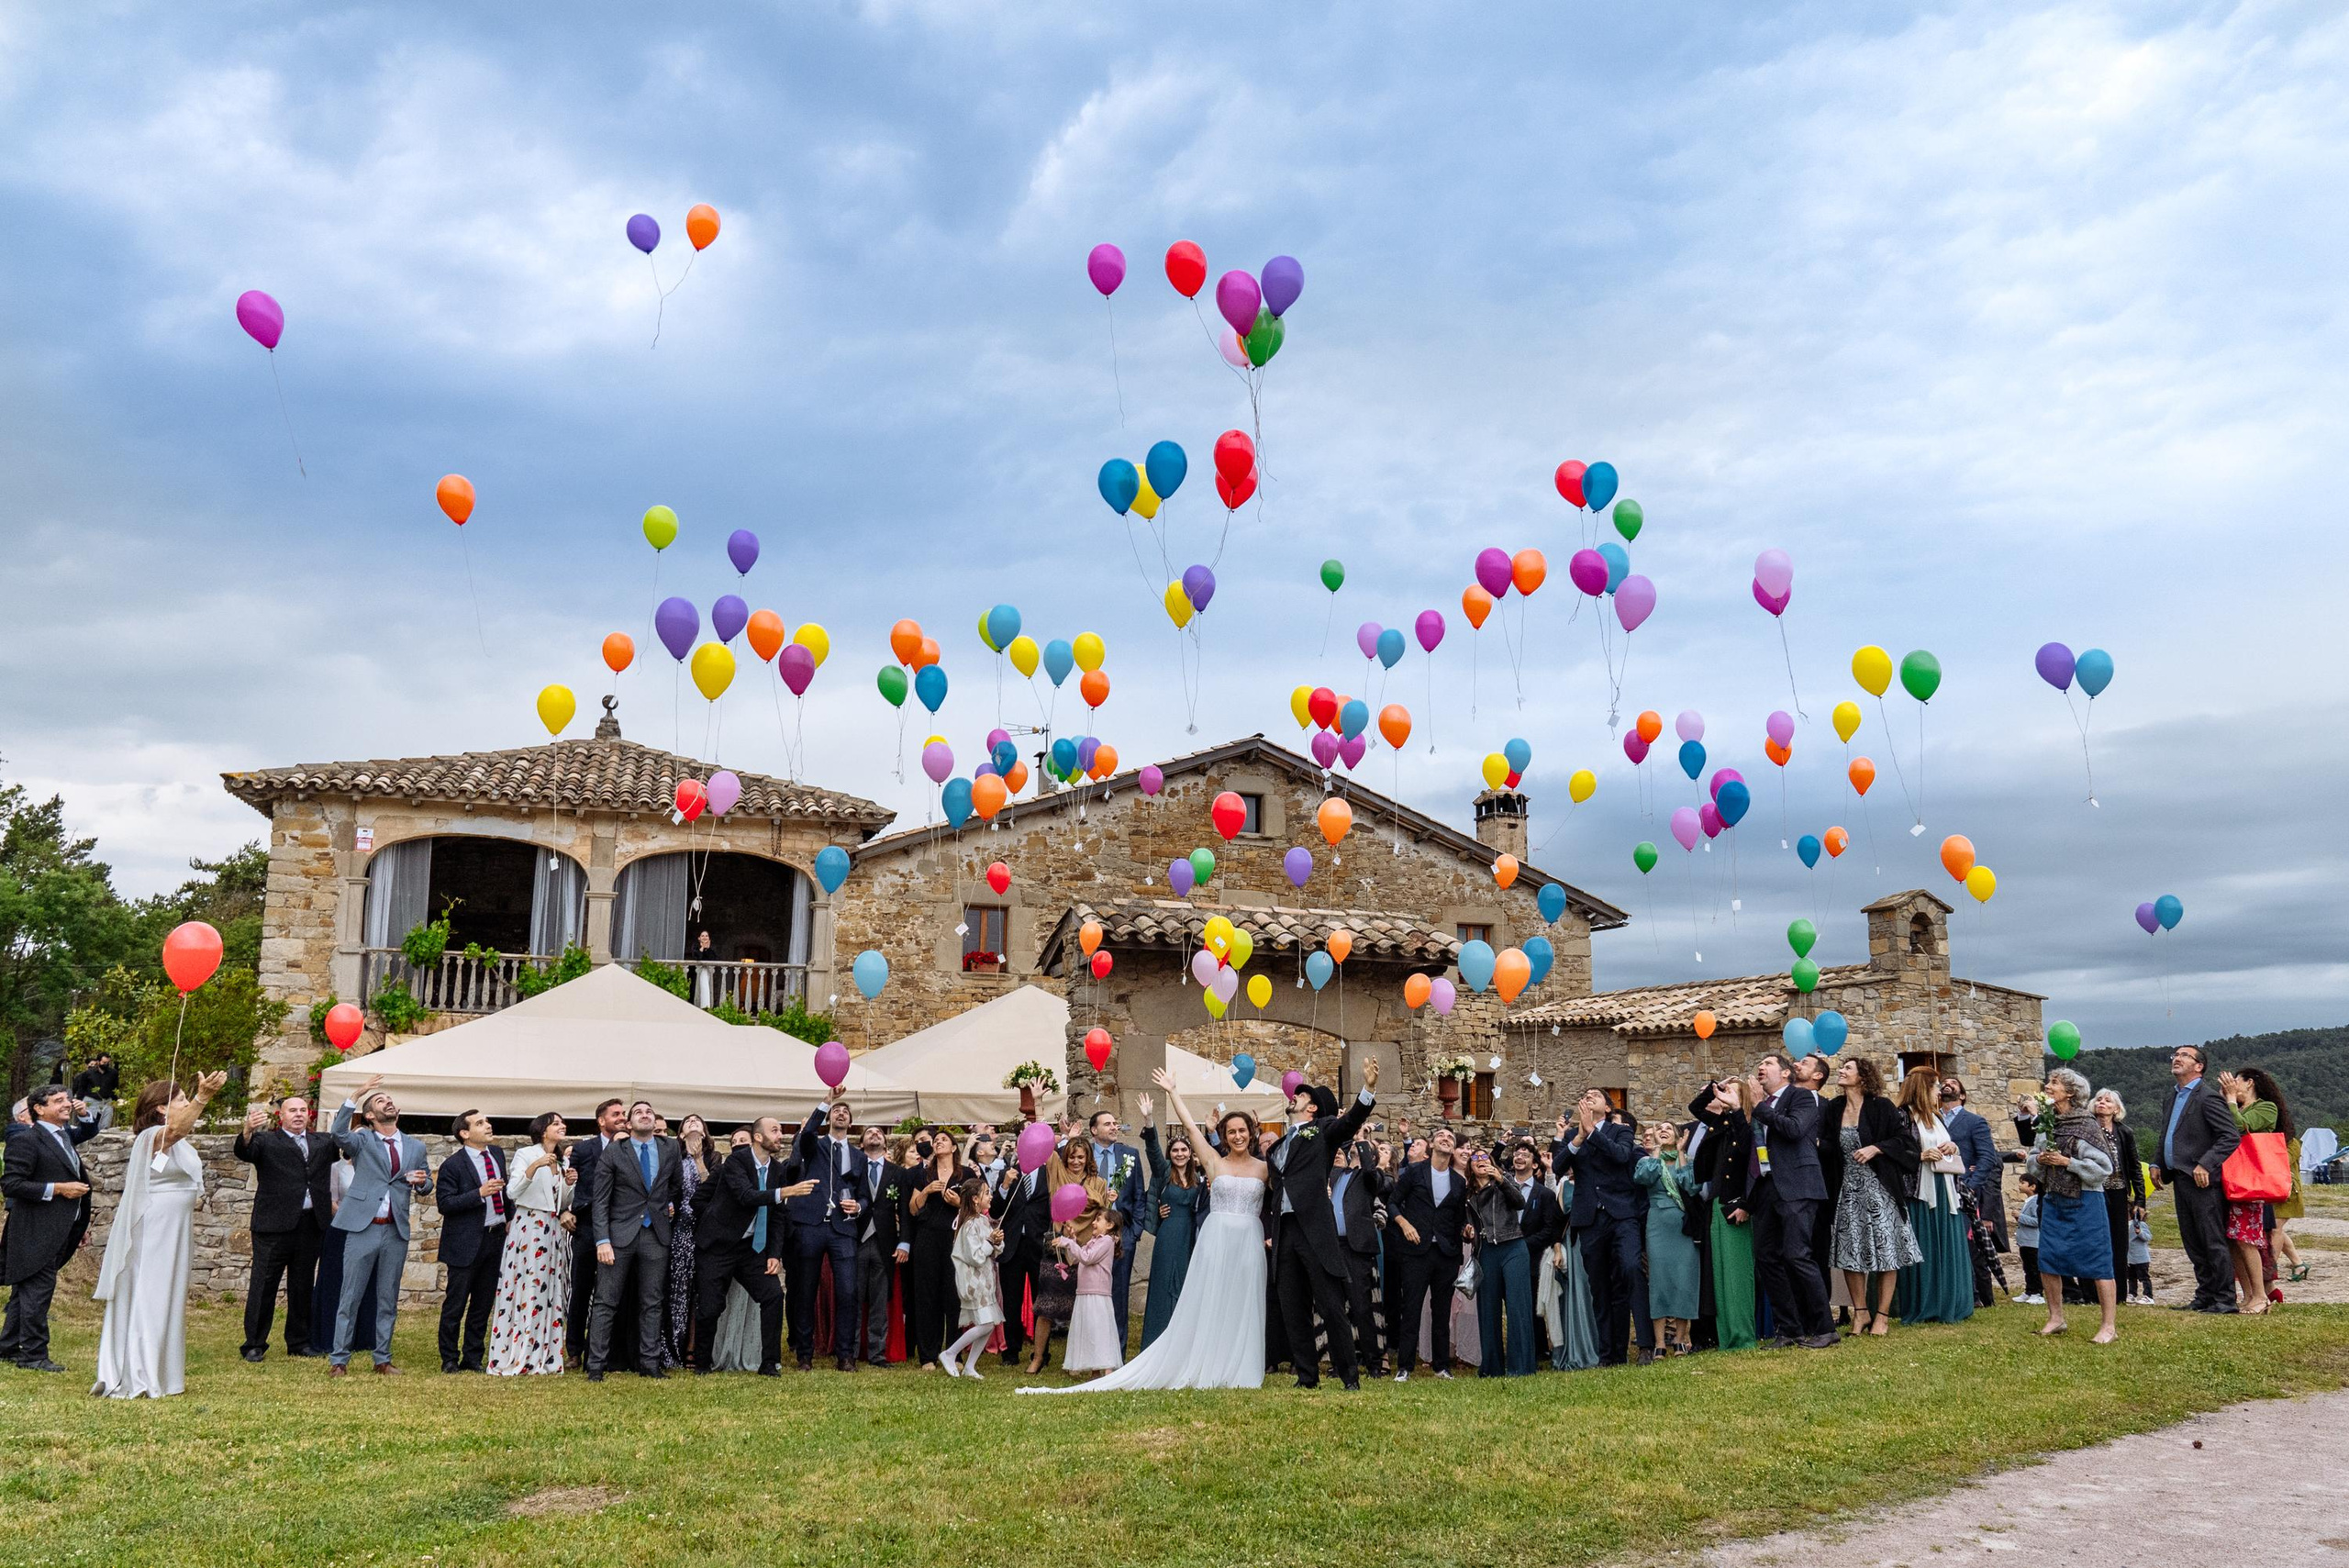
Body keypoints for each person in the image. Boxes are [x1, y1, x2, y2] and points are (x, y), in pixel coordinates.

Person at [1022, 1066, 1270, 1393]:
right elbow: (1188, 1129)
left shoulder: (1266, 1168)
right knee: (1210, 1299)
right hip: (1217, 1240)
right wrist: (1172, 1091)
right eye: (1232, 1131)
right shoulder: (1213, 1161)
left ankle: (1240, 1364)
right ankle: (1208, 1359)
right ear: (1224, 1137)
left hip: (1249, 1243)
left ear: (1252, 1133)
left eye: (1243, 1130)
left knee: (1243, 1302)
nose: (1238, 1136)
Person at [91, 1073, 226, 1397]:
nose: (186, 1104)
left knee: (169, 1293)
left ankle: (164, 1373)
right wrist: (203, 1097)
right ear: (161, 1109)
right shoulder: (152, 1136)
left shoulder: (177, 1139)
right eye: (180, 1100)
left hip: (175, 1227)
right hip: (154, 1225)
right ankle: (140, 1373)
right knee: (151, 1292)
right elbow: (178, 1129)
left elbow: (183, 1133)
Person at [1263, 1061, 1380, 1390]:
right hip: (1285, 1231)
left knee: (1331, 1305)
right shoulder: (1275, 1148)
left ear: (1311, 1107)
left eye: (1300, 1095)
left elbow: (1351, 1121)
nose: (1294, 1097)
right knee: (1292, 1304)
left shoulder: (1323, 1131)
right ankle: (1306, 1376)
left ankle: (1349, 1377)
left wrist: (1368, 1089)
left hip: (1314, 1228)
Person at [691, 1114, 812, 1376]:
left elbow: (779, 1216)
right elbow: (746, 1197)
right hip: (717, 1246)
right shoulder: (737, 1161)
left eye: (781, 1130)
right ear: (758, 1137)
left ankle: (770, 1363)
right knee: (711, 1307)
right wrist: (786, 1192)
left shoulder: (778, 1170)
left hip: (750, 1249)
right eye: (775, 1130)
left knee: (773, 1295)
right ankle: (701, 1363)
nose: (780, 1135)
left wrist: (774, 1254)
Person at [328, 1073, 432, 1375]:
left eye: (390, 1099)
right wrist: (358, 1094)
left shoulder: (415, 1147)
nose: (388, 1102)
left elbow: (425, 1185)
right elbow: (337, 1133)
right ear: (371, 1115)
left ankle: (382, 1359)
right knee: (351, 1295)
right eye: (380, 1101)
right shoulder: (362, 1139)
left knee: (388, 1297)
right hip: (364, 1227)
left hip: (395, 1229)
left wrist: (423, 1183)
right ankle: (339, 1360)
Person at [2, 1084, 101, 1372]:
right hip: (34, 1229)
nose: (66, 1104)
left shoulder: (62, 1137)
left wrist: (76, 1224)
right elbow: (11, 1184)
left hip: (61, 1228)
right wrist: (58, 1189)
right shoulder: (26, 1139)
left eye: (66, 1099)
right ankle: (33, 1355)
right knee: (38, 1292)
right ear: (39, 1109)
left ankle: (7, 1347)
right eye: (57, 1101)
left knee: (27, 1291)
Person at [232, 1092, 336, 1362]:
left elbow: (347, 1146)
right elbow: (244, 1151)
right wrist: (247, 1131)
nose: (299, 1114)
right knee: (264, 1285)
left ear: (309, 1115)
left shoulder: (322, 1142)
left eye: (303, 1110)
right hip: (273, 1226)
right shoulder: (266, 1141)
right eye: (293, 1110)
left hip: (310, 1224)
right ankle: (254, 1343)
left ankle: (299, 1342)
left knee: (302, 1286)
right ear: (281, 1115)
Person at [1554, 1089, 1653, 1364]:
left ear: (1608, 1108)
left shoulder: (1619, 1131)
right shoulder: (1572, 1136)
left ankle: (1646, 1345)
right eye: (1585, 1095)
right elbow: (1557, 1168)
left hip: (1621, 1215)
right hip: (1590, 1220)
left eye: (1595, 1095)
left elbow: (1622, 1156)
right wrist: (1578, 1138)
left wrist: (1593, 1133)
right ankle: (1610, 1355)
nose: (1589, 1097)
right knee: (1601, 1288)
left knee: (1632, 1270)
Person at [1746, 1052, 1837, 1349]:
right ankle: (1789, 1328)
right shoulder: (1760, 1105)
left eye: (1768, 1063)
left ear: (1785, 1073)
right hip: (1766, 1187)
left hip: (1798, 1185)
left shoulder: (1801, 1097)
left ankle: (1825, 1327)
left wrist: (1759, 1106)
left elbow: (1795, 1130)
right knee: (1766, 1257)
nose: (1761, 1067)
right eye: (1760, 1064)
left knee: (1798, 1254)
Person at [586, 1099, 682, 1380]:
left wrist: (666, 1204)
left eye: (649, 1112)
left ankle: (649, 1365)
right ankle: (595, 1367)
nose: (645, 1115)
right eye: (638, 1112)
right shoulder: (615, 1151)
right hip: (618, 1236)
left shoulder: (671, 1148)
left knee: (652, 1302)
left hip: (656, 1234)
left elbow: (674, 1185)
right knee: (606, 1301)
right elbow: (600, 1200)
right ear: (629, 1123)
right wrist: (602, 1240)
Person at [1826, 1057, 1920, 1335]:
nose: (1841, 1071)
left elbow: (1905, 1142)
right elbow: (1827, 1145)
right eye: (1842, 1067)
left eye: (1848, 1068)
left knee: (1886, 1251)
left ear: (1863, 1078)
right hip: (1846, 1190)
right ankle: (1860, 1313)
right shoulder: (1834, 1108)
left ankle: (1882, 1315)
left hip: (1879, 1188)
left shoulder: (1881, 1107)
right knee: (1849, 1251)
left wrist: (1877, 1148)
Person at [2027, 1066, 2118, 1342]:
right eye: (2049, 1081)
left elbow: (2104, 1168)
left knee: (2099, 1261)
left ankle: (2108, 1327)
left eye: (2054, 1083)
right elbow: (2032, 1158)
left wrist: (2068, 1162)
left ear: (2070, 1092)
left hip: (2086, 1201)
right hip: (2054, 1199)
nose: (2048, 1086)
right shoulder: (2047, 1123)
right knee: (2048, 1259)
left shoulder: (2086, 1125)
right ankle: (2056, 1318)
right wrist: (2039, 1161)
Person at [2150, 1043, 2241, 1314]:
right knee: (2192, 1242)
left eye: (2184, 1056)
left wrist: (2206, 1164)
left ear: (2199, 1066)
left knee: (2211, 1241)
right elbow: (2167, 1134)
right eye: (2175, 1055)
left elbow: (2230, 1136)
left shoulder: (2207, 1097)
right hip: (2179, 1178)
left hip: (2203, 1181)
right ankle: (2205, 1296)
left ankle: (2225, 1300)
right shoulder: (2173, 1097)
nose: (2176, 1059)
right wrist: (2157, 1162)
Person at [786, 1084, 869, 1371]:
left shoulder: (858, 1156)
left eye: (845, 1111)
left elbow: (865, 1196)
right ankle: (805, 1355)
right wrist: (827, 1100)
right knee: (805, 1290)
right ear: (830, 1118)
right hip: (810, 1225)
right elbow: (807, 1131)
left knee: (848, 1292)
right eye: (837, 1111)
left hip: (842, 1230)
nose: (841, 1114)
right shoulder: (815, 1146)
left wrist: (858, 1207)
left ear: (851, 1122)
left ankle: (845, 1355)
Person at [485, 1111, 573, 1375]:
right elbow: (512, 1192)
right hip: (530, 1226)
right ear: (543, 1130)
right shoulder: (527, 1154)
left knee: (550, 1291)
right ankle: (519, 1354)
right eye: (556, 1123)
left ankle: (545, 1355)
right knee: (528, 1289)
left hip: (553, 1228)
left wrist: (569, 1184)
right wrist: (535, 1166)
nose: (562, 1126)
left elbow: (563, 1202)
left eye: (562, 1123)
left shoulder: (563, 1159)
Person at [1891, 1066, 1975, 1326]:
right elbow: (1894, 1151)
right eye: (1935, 1086)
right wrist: (1920, 1156)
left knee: (1944, 1245)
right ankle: (1922, 1303)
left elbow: (1945, 1145)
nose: (1939, 1091)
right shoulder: (1901, 1116)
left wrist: (1953, 1146)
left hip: (1944, 1188)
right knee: (1924, 1246)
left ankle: (1948, 1300)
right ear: (1923, 1088)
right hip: (1918, 1191)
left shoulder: (1936, 1116)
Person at [1386, 1124, 1467, 1380]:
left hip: (1445, 1253)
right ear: (1432, 1145)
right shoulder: (1415, 1172)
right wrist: (1404, 1224)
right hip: (1415, 1250)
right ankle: (1405, 1367)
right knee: (1411, 1308)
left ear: (1453, 1149)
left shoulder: (1458, 1181)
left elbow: (1458, 1217)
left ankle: (1442, 1366)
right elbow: (1392, 1203)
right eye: (1441, 1136)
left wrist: (1465, 1231)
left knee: (1441, 1312)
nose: (1446, 1139)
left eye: (1450, 1138)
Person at [434, 1108, 508, 1373]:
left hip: (495, 1238)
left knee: (482, 1303)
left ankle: (473, 1356)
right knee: (455, 1304)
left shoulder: (497, 1155)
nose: (488, 1125)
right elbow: (445, 1204)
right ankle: (449, 1358)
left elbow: (505, 1192)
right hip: (464, 1243)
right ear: (465, 1134)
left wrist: (508, 1217)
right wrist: (478, 1193)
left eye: (487, 1120)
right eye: (480, 1123)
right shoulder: (452, 1165)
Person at [1687, 1078, 1758, 1351]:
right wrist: (1714, 1087)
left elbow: (1748, 1152)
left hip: (1736, 1205)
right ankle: (1726, 1336)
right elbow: (1696, 1107)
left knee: (1737, 1275)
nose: (1725, 1096)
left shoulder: (1748, 1124)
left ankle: (1742, 1336)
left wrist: (1737, 1107)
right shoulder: (1722, 1123)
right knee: (1718, 1276)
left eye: (1732, 1092)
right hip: (1716, 1204)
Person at [2220, 1068, 2291, 1315]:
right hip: (2235, 1182)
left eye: (2235, 1082)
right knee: (2234, 1240)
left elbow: (2241, 1128)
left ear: (2249, 1083)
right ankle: (2249, 1295)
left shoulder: (2266, 1108)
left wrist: (2229, 1101)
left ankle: (2260, 1296)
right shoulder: (2237, 1108)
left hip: (2251, 1184)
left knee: (2245, 1239)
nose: (2232, 1086)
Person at [1136, 1094, 1205, 1351]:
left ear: (1190, 1153)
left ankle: (1186, 1344)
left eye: (1184, 1150)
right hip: (1168, 1235)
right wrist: (1149, 1119)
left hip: (1191, 1237)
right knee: (1165, 1285)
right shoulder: (1164, 1171)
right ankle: (1158, 1342)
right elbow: (1153, 1150)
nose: (1179, 1154)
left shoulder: (1199, 1177)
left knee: (1188, 1284)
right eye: (1175, 1150)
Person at [565, 1098, 627, 1364]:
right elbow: (569, 1185)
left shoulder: (632, 1147)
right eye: (616, 1114)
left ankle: (603, 1350)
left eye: (623, 1113)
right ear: (601, 1121)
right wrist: (565, 1210)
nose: (621, 1118)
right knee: (581, 1289)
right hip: (588, 1226)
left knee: (612, 1291)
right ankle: (574, 1350)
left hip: (622, 1227)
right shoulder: (583, 1149)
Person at [1633, 1120, 1703, 1356]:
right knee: (1659, 1281)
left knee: (1685, 1280)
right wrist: (1655, 1150)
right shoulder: (1647, 1160)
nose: (1663, 1131)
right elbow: (1644, 1178)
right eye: (1659, 1129)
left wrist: (1681, 1153)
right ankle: (1660, 1342)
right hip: (1658, 1224)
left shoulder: (1688, 1162)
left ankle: (1681, 1338)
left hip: (1683, 1225)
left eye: (1668, 1129)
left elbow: (1691, 1186)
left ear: (1677, 1135)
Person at [1463, 1144, 1532, 1375]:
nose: (1481, 1160)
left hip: (1513, 1245)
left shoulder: (1505, 1180)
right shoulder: (1467, 1194)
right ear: (1471, 1168)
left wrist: (1500, 1179)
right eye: (1476, 1158)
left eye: (1485, 1157)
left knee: (1517, 1308)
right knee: (1488, 1311)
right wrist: (1466, 1231)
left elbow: (1520, 1202)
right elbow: (1462, 1223)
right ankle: (1491, 1368)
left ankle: (1521, 1367)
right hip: (1486, 1252)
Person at [1085, 1108, 1147, 1352]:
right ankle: (1092, 1352)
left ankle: (1117, 1352)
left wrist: (1135, 1232)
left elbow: (1139, 1194)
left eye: (1115, 1123)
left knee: (1119, 1295)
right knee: (1092, 1296)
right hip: (1089, 1233)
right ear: (1094, 1130)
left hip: (1122, 1235)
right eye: (1107, 1124)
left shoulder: (1129, 1154)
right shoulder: (1085, 1154)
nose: (1114, 1127)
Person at [663, 1114, 720, 1369]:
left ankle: (693, 1347)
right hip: (678, 1231)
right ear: (681, 1133)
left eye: (698, 1120)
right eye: (688, 1121)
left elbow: (713, 1188)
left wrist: (698, 1159)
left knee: (701, 1292)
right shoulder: (672, 1157)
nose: (694, 1122)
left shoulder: (714, 1159)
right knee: (677, 1291)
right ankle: (672, 1346)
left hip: (704, 1231)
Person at [906, 1129, 965, 1369]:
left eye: (944, 1140)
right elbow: (912, 1208)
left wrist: (958, 1202)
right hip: (927, 1238)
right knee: (926, 1296)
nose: (938, 1142)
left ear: (953, 1148)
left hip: (954, 1239)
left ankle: (954, 1352)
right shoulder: (924, 1175)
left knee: (954, 1296)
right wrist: (927, 1192)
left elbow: (976, 1207)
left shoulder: (966, 1173)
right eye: (936, 1140)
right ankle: (928, 1355)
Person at [1331, 1140, 1387, 1376]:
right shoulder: (1334, 1174)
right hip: (1333, 1246)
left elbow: (1373, 1178)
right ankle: (1341, 1364)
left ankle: (1373, 1363)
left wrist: (1365, 1144)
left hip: (1357, 1248)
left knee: (1361, 1307)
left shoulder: (1368, 1178)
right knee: (1335, 1308)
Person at [2087, 1089, 2144, 1312]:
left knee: (2119, 1244)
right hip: (2094, 1191)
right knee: (2094, 1240)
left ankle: (2119, 1294)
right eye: (2099, 1099)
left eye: (2107, 1100)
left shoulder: (2125, 1132)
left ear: (2116, 1109)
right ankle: (2091, 1293)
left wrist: (2140, 1199)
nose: (2102, 1103)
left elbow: (2134, 1166)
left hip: (2119, 1191)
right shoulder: (2088, 1129)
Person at [941, 1177, 1004, 1378]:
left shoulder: (983, 1220)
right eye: (987, 1193)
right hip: (974, 1283)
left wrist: (997, 1241)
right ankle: (950, 1353)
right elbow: (975, 1256)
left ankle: (970, 1366)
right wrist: (989, 1241)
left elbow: (993, 1249)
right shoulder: (968, 1225)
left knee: (989, 1324)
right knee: (985, 1324)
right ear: (976, 1199)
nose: (991, 1196)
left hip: (986, 1282)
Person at [996, 1140, 1051, 1369]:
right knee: (1011, 1301)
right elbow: (997, 1210)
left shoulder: (1049, 1173)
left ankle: (1042, 1352)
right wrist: (1004, 1187)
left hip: (1039, 1245)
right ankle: (1011, 1351)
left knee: (1042, 1301)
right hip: (1013, 1247)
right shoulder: (1007, 1173)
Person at [854, 1122, 903, 1364]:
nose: (875, 1134)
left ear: (885, 1143)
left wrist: (904, 1242)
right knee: (853, 1298)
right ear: (862, 1143)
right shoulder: (853, 1169)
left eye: (879, 1133)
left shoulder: (897, 1173)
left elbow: (903, 1210)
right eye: (869, 1133)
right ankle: (849, 1352)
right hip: (856, 1240)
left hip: (885, 1242)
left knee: (879, 1300)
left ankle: (877, 1353)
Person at [2012, 1176, 2043, 1303]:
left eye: (2023, 1183)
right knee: (2027, 1268)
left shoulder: (2036, 1201)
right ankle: (2029, 1291)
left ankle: (2038, 1293)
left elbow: (2037, 1221)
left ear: (2033, 1186)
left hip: (2033, 1242)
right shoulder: (2028, 1201)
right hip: (2025, 1242)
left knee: (2034, 1268)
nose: (2019, 1185)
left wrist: (2021, 1216)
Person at [70, 1053, 119, 1130]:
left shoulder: (113, 1073)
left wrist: (115, 1100)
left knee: (105, 1125)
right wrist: (79, 1101)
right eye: (104, 1063)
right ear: (98, 1062)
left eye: (107, 1063)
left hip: (107, 1100)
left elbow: (115, 1087)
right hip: (91, 1100)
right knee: (90, 1123)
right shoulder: (88, 1073)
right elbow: (82, 1088)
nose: (106, 1065)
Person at [2126, 1209, 2154, 1303]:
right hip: (2131, 1258)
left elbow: (2148, 1237)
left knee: (2144, 1277)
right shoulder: (2127, 1225)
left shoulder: (2141, 1225)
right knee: (2131, 1277)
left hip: (2141, 1258)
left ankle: (2148, 1296)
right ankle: (2132, 1294)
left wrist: (2139, 1232)